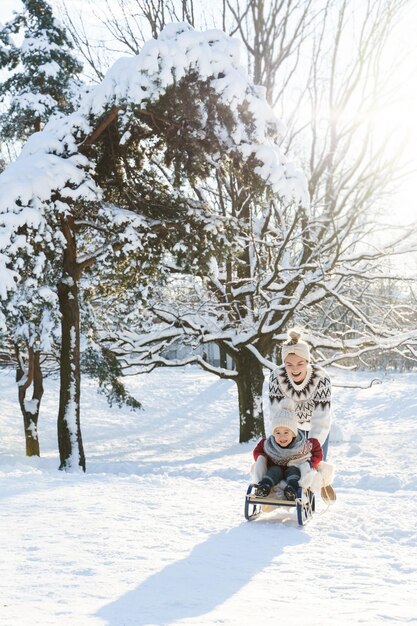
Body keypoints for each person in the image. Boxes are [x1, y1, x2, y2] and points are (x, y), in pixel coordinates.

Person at [269, 328, 333, 460]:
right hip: (289, 429)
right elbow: (275, 414)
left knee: (315, 468)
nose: (295, 369)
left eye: (300, 363)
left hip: (316, 426)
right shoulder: (277, 377)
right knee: (288, 468)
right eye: (289, 364)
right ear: (284, 363)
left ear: (308, 362)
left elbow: (322, 418)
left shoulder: (320, 377)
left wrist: (311, 449)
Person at [252, 399, 323, 500]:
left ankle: (291, 490)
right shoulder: (268, 444)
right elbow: (257, 451)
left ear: (293, 433)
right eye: (278, 433)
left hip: (294, 469)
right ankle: (264, 486)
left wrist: (311, 463)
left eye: (286, 432)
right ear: (273, 433)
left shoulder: (303, 445)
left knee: (294, 471)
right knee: (273, 471)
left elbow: (317, 450)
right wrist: (263, 458)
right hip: (275, 470)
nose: (282, 437)